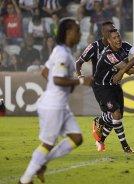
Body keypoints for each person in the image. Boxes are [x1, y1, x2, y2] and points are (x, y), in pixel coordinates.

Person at [19, 18, 92, 184]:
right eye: (77, 31)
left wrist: (63, 87)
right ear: (68, 32)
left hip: (60, 105)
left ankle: (41, 164)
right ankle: (25, 180)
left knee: (76, 138)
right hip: (53, 106)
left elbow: (45, 72)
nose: (80, 34)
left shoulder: (61, 50)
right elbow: (57, 80)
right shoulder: (61, 53)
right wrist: (80, 81)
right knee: (48, 143)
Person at [76, 21, 134, 152]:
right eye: (114, 37)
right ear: (108, 39)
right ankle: (124, 146)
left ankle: (101, 138)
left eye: (118, 36)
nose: (118, 39)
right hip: (101, 86)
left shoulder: (124, 45)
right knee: (115, 113)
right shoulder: (108, 54)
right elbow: (129, 70)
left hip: (115, 85)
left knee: (117, 116)